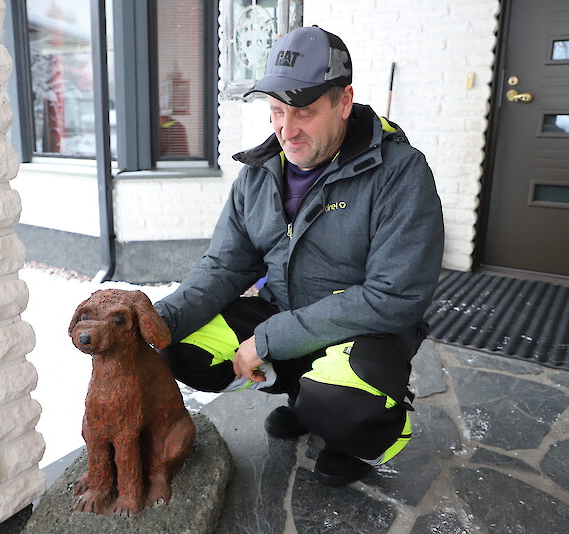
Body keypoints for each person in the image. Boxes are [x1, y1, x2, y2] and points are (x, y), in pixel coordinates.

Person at [154, 25, 444, 486]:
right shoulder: (257, 176)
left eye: (304, 112)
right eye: (276, 112)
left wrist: (269, 340)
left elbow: (394, 297)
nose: (286, 130)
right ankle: (304, 395)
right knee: (179, 348)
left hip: (369, 331)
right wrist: (158, 320)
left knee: (344, 407)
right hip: (286, 312)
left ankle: (365, 426)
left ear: (344, 102)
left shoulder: (401, 172)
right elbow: (226, 265)